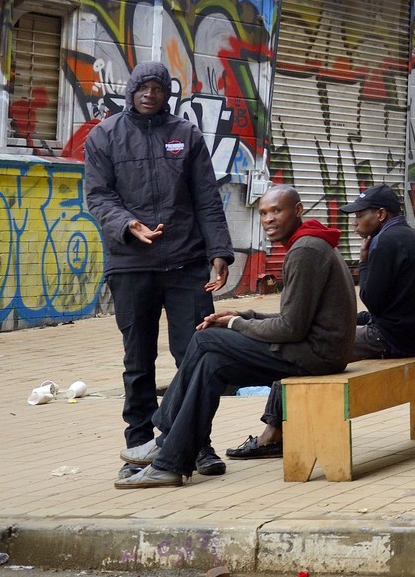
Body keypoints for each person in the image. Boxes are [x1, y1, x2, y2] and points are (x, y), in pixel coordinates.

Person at [113, 185, 356, 488]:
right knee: (211, 361)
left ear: (297, 210)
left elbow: (291, 328)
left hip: (317, 357)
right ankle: (171, 462)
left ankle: (165, 438)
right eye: (264, 212)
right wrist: (244, 317)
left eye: (276, 211)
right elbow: (296, 319)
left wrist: (233, 325)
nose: (268, 219)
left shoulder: (305, 250)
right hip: (316, 350)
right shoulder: (309, 243)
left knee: (205, 340)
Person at [84, 59, 235, 478]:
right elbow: (97, 196)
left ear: (169, 93)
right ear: (131, 89)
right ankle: (138, 446)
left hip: (187, 264)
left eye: (159, 88)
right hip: (132, 266)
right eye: (144, 87)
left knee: (197, 356)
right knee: (139, 361)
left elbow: (207, 198)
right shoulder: (105, 137)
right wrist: (127, 225)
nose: (151, 94)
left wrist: (218, 252)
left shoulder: (184, 135)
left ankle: (197, 442)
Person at [226, 184, 415, 460]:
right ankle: (277, 429)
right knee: (309, 340)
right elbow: (390, 303)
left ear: (381, 214)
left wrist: (363, 263)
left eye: (360, 215)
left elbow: (372, 299)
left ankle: (272, 435)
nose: (355, 221)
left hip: (392, 338)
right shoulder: (411, 235)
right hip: (414, 334)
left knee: (299, 352)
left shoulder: (384, 242)